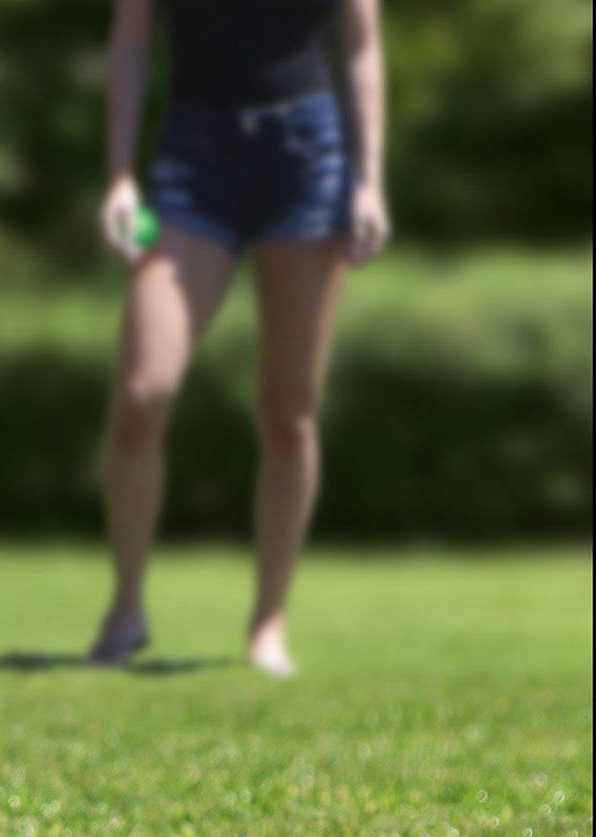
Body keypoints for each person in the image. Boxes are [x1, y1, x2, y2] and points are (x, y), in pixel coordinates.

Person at [92, 0, 390, 676]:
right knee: (142, 393)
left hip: (309, 160)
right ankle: (126, 605)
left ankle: (268, 624)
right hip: (189, 163)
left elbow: (363, 43)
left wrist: (370, 178)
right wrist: (117, 174)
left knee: (288, 416)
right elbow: (131, 39)